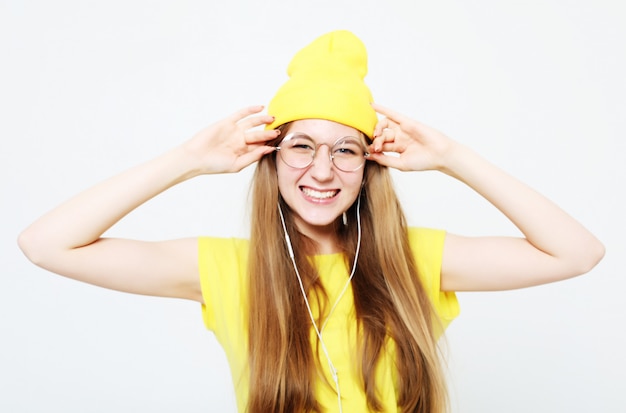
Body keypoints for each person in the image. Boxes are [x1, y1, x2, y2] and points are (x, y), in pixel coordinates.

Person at [18, 30, 604, 413]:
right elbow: (45, 244)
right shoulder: (227, 268)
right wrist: (186, 161)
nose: (322, 170)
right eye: (301, 147)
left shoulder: (415, 260)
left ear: (367, 165)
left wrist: (454, 157)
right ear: (271, 161)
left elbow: (577, 253)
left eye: (345, 150)